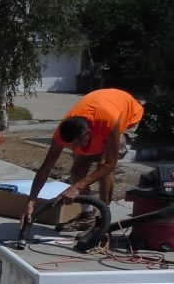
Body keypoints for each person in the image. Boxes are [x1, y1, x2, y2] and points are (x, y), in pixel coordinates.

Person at [20, 88, 143, 231]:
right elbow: (46, 166)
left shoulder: (108, 122)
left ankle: (104, 218)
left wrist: (76, 187)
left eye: (77, 145)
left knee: (103, 164)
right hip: (99, 111)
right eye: (71, 147)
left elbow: (111, 164)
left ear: (87, 134)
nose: (75, 149)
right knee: (77, 171)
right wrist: (31, 201)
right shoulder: (62, 133)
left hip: (127, 114)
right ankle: (87, 215)